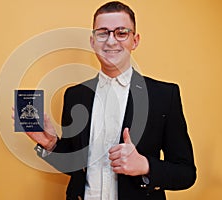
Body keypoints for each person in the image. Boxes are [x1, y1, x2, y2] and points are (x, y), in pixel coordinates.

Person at [25, 1, 196, 199]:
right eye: (103, 33)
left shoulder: (165, 96)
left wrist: (145, 165)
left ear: (135, 40)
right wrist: (51, 144)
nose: (111, 41)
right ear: (92, 41)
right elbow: (76, 168)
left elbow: (186, 174)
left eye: (121, 32)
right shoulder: (74, 95)